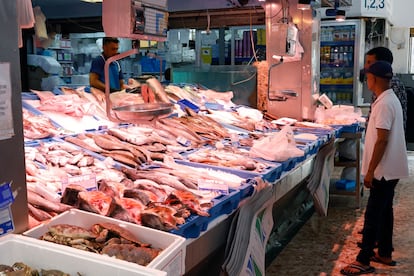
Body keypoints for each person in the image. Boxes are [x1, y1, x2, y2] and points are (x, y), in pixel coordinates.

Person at [341, 61, 409, 275]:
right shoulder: (389, 99)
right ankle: (384, 253)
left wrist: (370, 171)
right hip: (390, 168)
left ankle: (363, 259)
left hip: (383, 170)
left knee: (372, 215)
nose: (366, 80)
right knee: (384, 212)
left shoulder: (384, 104)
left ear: (376, 79)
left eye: (368, 76)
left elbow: (382, 140)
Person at [363, 47, 407, 132]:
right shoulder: (382, 85)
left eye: (369, 62)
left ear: (381, 64)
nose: (366, 66)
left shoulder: (391, 86)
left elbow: (383, 133)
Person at [89, 37, 126, 102]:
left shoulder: (116, 63)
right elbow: (93, 81)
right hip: (102, 99)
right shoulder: (98, 61)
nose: (115, 52)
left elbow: (121, 84)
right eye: (112, 49)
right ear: (104, 48)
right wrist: (109, 89)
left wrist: (124, 93)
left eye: (116, 49)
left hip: (116, 98)